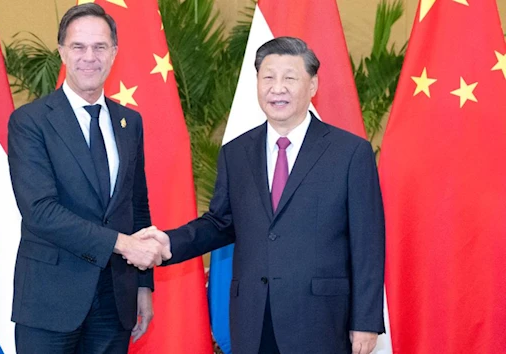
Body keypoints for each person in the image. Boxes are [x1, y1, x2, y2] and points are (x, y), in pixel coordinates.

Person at [144, 37, 385, 354]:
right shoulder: (236, 152)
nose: (277, 87)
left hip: (321, 320)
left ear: (312, 85)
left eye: (290, 77)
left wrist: (365, 321)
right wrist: (169, 242)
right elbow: (221, 223)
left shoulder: (350, 152)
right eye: (268, 77)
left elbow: (367, 243)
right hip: (253, 319)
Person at [7, 4, 170, 353]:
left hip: (116, 302)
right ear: (62, 52)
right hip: (50, 302)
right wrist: (123, 245)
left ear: (114, 53)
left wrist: (143, 285)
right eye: (78, 47)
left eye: (99, 47)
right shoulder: (30, 122)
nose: (89, 57)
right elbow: (40, 211)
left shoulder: (130, 122)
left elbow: (136, 204)